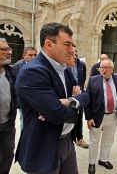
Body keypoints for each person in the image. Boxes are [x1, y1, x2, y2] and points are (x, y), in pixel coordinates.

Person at [15, 22, 89, 174]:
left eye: (72, 44)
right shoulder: (33, 72)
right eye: (67, 44)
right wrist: (74, 109)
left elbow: (86, 95)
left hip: (68, 142)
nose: (72, 50)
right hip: (44, 146)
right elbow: (58, 114)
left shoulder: (63, 68)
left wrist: (69, 101)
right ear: (49, 44)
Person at [0, 38, 17, 174]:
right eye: (4, 50)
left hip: (7, 122)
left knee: (8, 155)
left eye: (9, 49)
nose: (9, 52)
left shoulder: (10, 72)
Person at [12, 46, 37, 130]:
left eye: (35, 55)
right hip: (22, 100)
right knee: (24, 120)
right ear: (24, 55)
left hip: (36, 100)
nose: (33, 57)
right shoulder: (16, 67)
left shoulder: (40, 66)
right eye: (30, 55)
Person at [70, 45, 89, 148]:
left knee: (79, 116)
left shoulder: (82, 65)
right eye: (73, 51)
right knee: (69, 116)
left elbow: (83, 79)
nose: (75, 53)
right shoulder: (65, 64)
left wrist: (81, 91)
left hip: (79, 95)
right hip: (68, 95)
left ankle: (79, 138)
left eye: (76, 51)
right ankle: (70, 138)